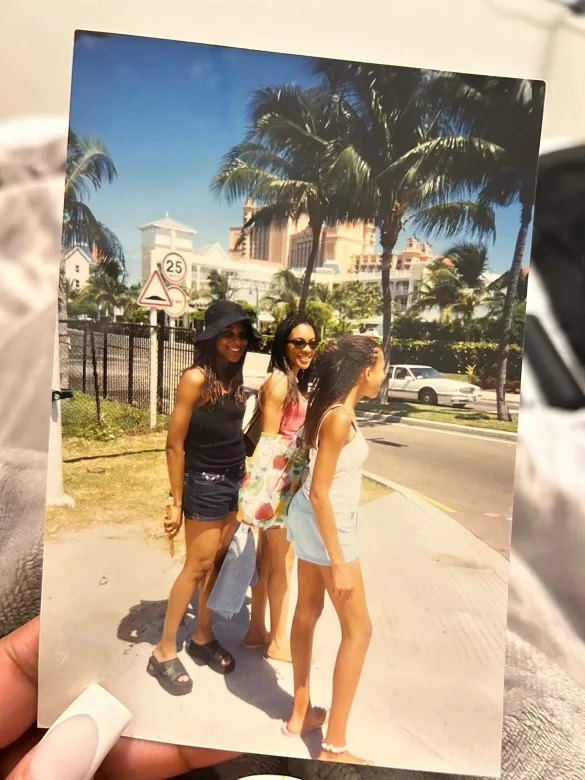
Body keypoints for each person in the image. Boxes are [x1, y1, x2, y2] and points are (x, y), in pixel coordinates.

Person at [283, 335, 386, 765]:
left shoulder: (330, 412)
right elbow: (324, 493)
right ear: (365, 372)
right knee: (359, 630)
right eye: (382, 367)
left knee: (307, 611)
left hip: (308, 519)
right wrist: (339, 562)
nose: (383, 375)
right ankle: (334, 747)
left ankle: (300, 714)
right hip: (330, 526)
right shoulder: (339, 418)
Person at [148, 300, 258, 696]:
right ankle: (163, 651)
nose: (236, 341)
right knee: (195, 566)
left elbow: (234, 435)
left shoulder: (235, 380)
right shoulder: (195, 378)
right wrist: (176, 499)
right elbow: (174, 444)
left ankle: (202, 637)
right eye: (228, 333)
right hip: (205, 483)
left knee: (216, 563)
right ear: (211, 336)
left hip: (234, 482)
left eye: (241, 335)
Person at [243, 315, 318, 663]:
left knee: (267, 559)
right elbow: (270, 441)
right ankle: (277, 642)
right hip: (280, 483)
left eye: (311, 343)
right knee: (282, 564)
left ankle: (257, 630)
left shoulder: (293, 382)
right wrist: (265, 494)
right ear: (283, 345)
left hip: (284, 480)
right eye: (298, 342)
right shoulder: (279, 383)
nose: (306, 349)